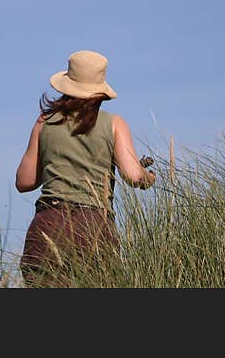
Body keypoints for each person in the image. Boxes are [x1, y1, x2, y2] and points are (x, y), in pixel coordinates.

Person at [15, 50, 156, 287]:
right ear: (100, 91)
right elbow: (133, 176)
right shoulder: (114, 124)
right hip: (93, 228)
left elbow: (25, 182)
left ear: (66, 85)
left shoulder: (44, 122)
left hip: (47, 225)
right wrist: (148, 176)